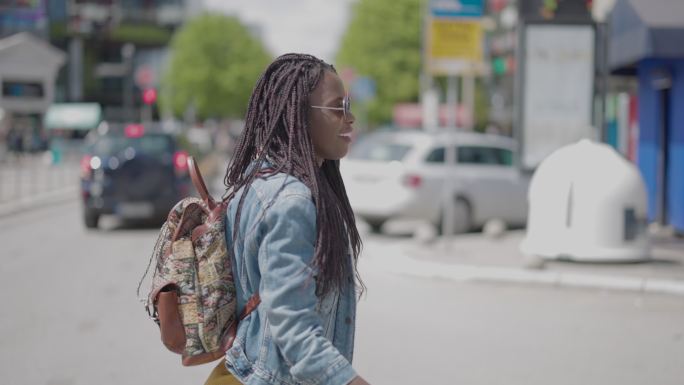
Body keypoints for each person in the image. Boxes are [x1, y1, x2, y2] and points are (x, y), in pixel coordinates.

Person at [206, 54, 370, 385]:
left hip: (241, 370)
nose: (350, 118)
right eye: (338, 107)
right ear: (299, 115)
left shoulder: (259, 177)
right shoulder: (290, 201)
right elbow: (293, 328)